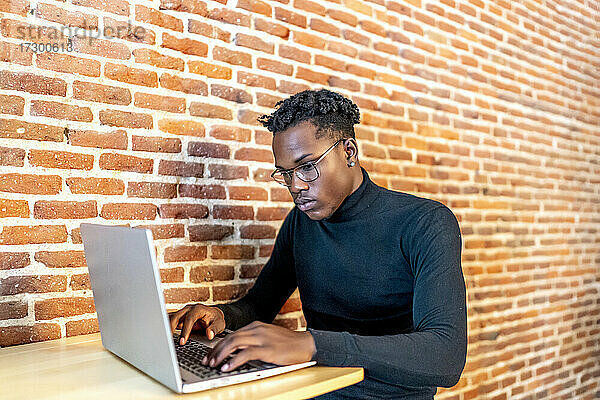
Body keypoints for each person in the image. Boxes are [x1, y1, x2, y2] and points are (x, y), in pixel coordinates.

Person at [169, 88, 467, 399]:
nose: (296, 186)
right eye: (286, 174)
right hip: (312, 390)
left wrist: (312, 344)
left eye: (307, 167)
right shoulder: (300, 222)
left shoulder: (425, 222)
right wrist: (221, 315)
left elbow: (445, 356)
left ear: (348, 151)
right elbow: (259, 305)